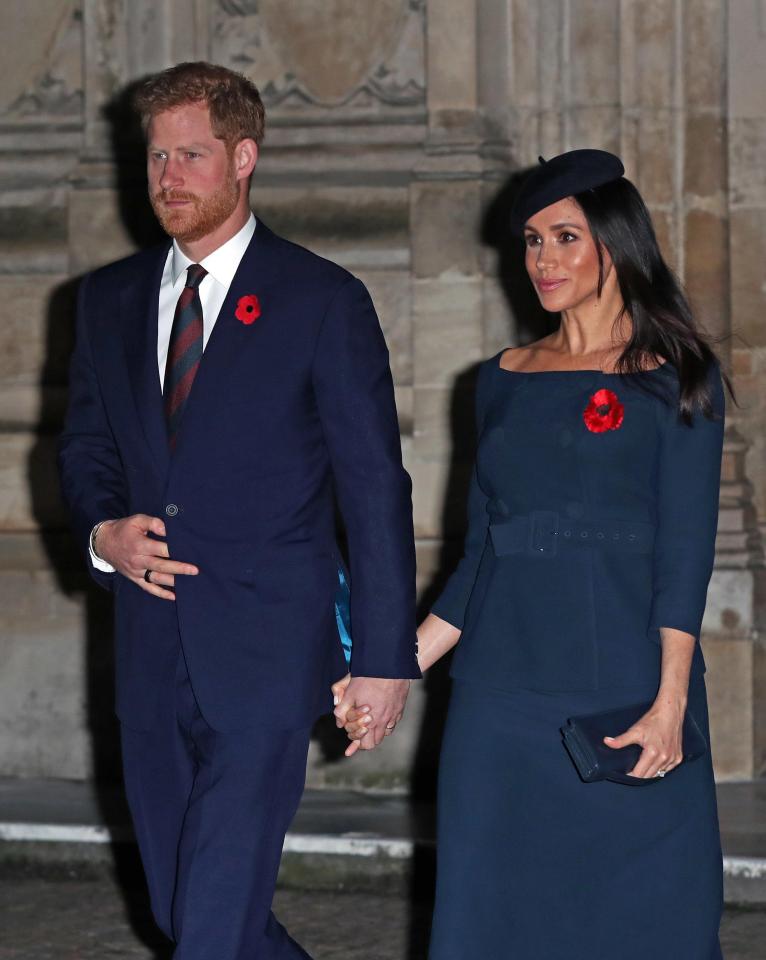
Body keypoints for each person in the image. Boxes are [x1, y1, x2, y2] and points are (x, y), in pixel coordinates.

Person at [58, 61, 419, 960]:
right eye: (155, 158)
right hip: (147, 649)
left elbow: (375, 489)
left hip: (266, 653)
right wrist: (103, 532)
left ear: (244, 156)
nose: (167, 178)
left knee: (213, 919)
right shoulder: (105, 301)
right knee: (188, 911)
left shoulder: (322, 300)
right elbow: (83, 451)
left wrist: (384, 659)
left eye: (191, 156)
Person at [336, 149, 728, 958]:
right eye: (531, 241)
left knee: (647, 919)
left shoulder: (677, 376)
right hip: (500, 704)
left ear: (613, 246)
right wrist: (390, 668)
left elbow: (686, 553)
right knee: (491, 918)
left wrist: (671, 705)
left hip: (622, 692)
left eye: (564, 238)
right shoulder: (502, 377)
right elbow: (481, 557)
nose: (542, 261)